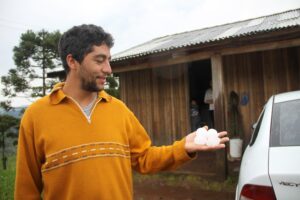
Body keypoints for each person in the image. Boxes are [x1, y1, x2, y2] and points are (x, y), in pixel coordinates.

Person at [14, 24, 229, 200]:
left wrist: (183, 148)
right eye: (99, 60)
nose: (108, 69)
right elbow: (26, 191)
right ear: (72, 61)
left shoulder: (119, 110)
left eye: (108, 60)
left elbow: (145, 158)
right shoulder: (36, 116)